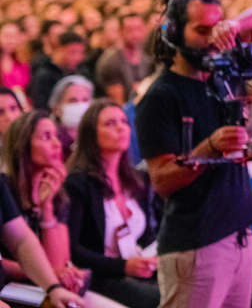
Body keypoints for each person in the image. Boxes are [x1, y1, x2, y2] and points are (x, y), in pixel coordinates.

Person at [135, 0, 252, 308]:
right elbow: (162, 180)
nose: (212, 38)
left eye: (216, 28)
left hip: (239, 234)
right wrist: (209, 148)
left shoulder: (223, 75)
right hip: (197, 244)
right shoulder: (160, 96)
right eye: (202, 30)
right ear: (173, 32)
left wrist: (236, 26)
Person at [65, 99, 160, 308]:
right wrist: (123, 266)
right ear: (91, 134)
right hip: (99, 275)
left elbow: (146, 236)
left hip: (136, 269)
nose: (121, 128)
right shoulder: (78, 183)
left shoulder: (137, 180)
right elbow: (72, 249)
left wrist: (153, 258)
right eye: (110, 123)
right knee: (158, 300)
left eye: (124, 122)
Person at [1, 110, 90, 296]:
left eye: (56, 136)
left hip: (45, 286)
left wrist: (46, 208)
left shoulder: (59, 194)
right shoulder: (5, 186)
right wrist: (47, 273)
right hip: (14, 288)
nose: (57, 144)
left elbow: (59, 262)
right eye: (46, 137)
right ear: (23, 145)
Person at [95, 14, 149, 106]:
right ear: (120, 31)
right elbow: (118, 103)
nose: (135, 34)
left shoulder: (148, 56)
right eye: (130, 30)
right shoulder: (111, 60)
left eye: (138, 29)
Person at [29, 32, 86, 111]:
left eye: (81, 53)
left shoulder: (80, 72)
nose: (78, 58)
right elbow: (40, 109)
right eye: (73, 52)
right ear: (59, 50)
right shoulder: (44, 75)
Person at [48, 76, 93, 157]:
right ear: (56, 107)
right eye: (73, 100)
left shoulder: (96, 137)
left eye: (85, 100)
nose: (80, 105)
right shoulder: (51, 139)